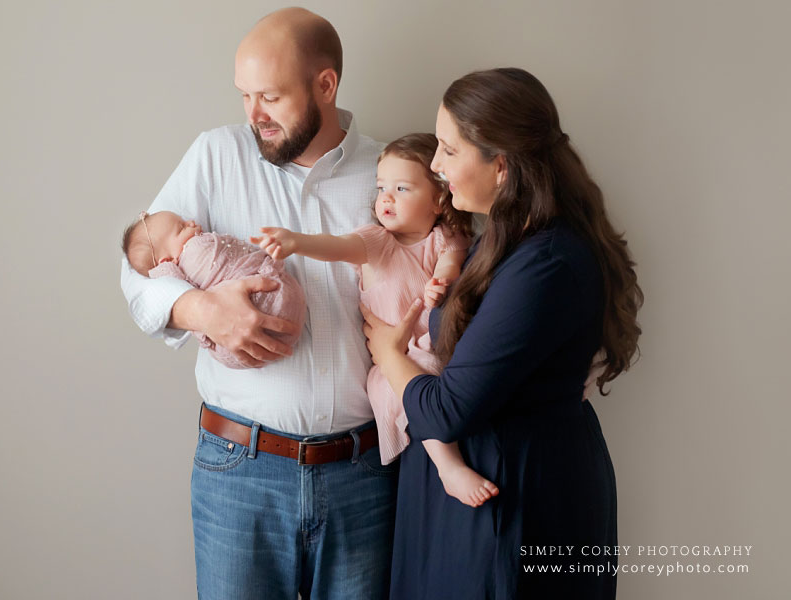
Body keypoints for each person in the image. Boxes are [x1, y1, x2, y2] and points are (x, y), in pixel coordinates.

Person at [119, 8, 396, 599]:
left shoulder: (386, 173)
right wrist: (202, 311)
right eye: (244, 95)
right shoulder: (216, 155)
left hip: (365, 476)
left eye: (270, 96)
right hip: (238, 470)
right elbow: (136, 267)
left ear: (326, 85)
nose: (253, 115)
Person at [361, 68, 643, 599]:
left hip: (511, 498)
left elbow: (446, 409)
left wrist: (389, 354)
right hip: (481, 490)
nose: (437, 168)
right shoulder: (507, 238)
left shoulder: (548, 264)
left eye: (448, 150)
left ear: (502, 165)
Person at [254, 133, 498, 507]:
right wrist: (297, 242)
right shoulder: (375, 241)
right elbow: (335, 247)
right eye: (382, 187)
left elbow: (450, 265)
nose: (386, 198)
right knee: (412, 385)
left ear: (438, 199)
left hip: (444, 348)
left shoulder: (447, 238)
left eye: (402, 188)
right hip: (393, 366)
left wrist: (440, 284)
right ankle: (447, 466)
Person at [121, 210, 307, 369]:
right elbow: (142, 290)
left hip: (241, 342)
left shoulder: (168, 240)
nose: (192, 222)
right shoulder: (186, 256)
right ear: (166, 261)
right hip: (251, 318)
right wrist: (204, 311)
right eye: (182, 227)